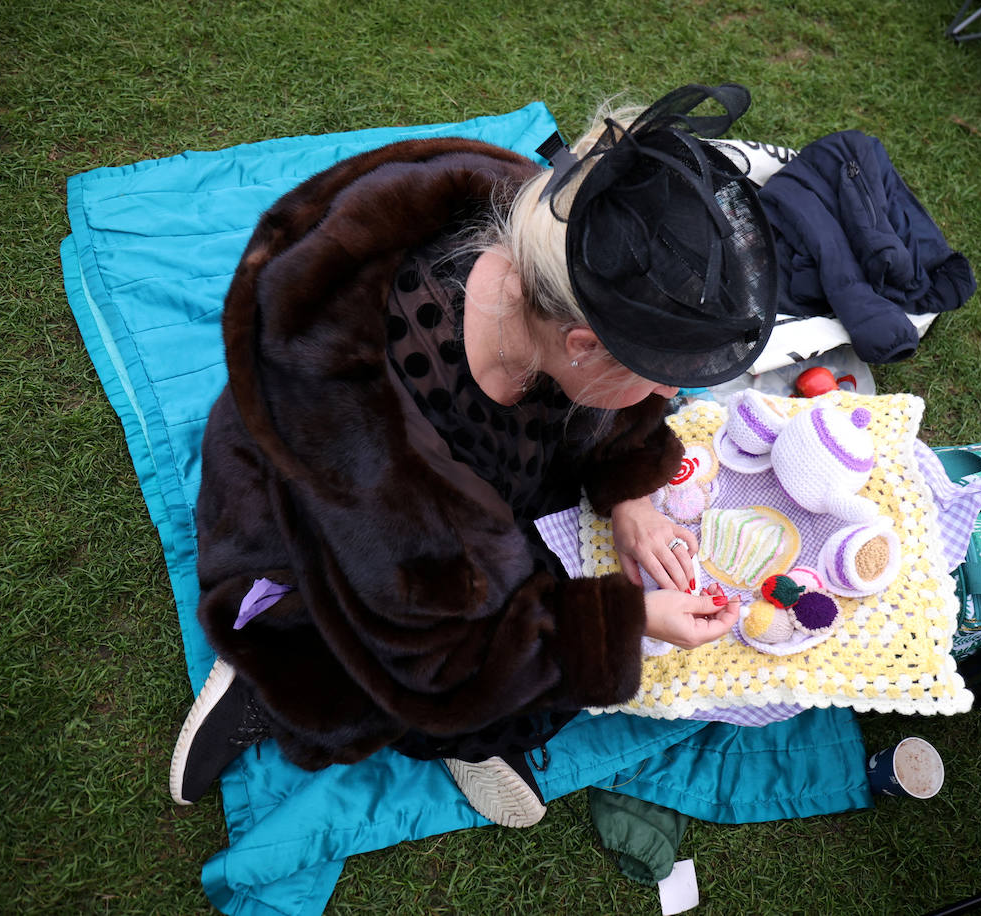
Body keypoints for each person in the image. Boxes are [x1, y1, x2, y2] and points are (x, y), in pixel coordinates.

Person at [168, 83, 779, 827]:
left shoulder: (559, 247)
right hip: (320, 526)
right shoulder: (370, 436)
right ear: (583, 348)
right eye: (664, 378)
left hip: (453, 497)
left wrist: (630, 496)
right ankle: (264, 683)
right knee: (433, 682)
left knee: (530, 611)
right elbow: (442, 648)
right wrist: (630, 621)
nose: (675, 396)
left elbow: (620, 396)